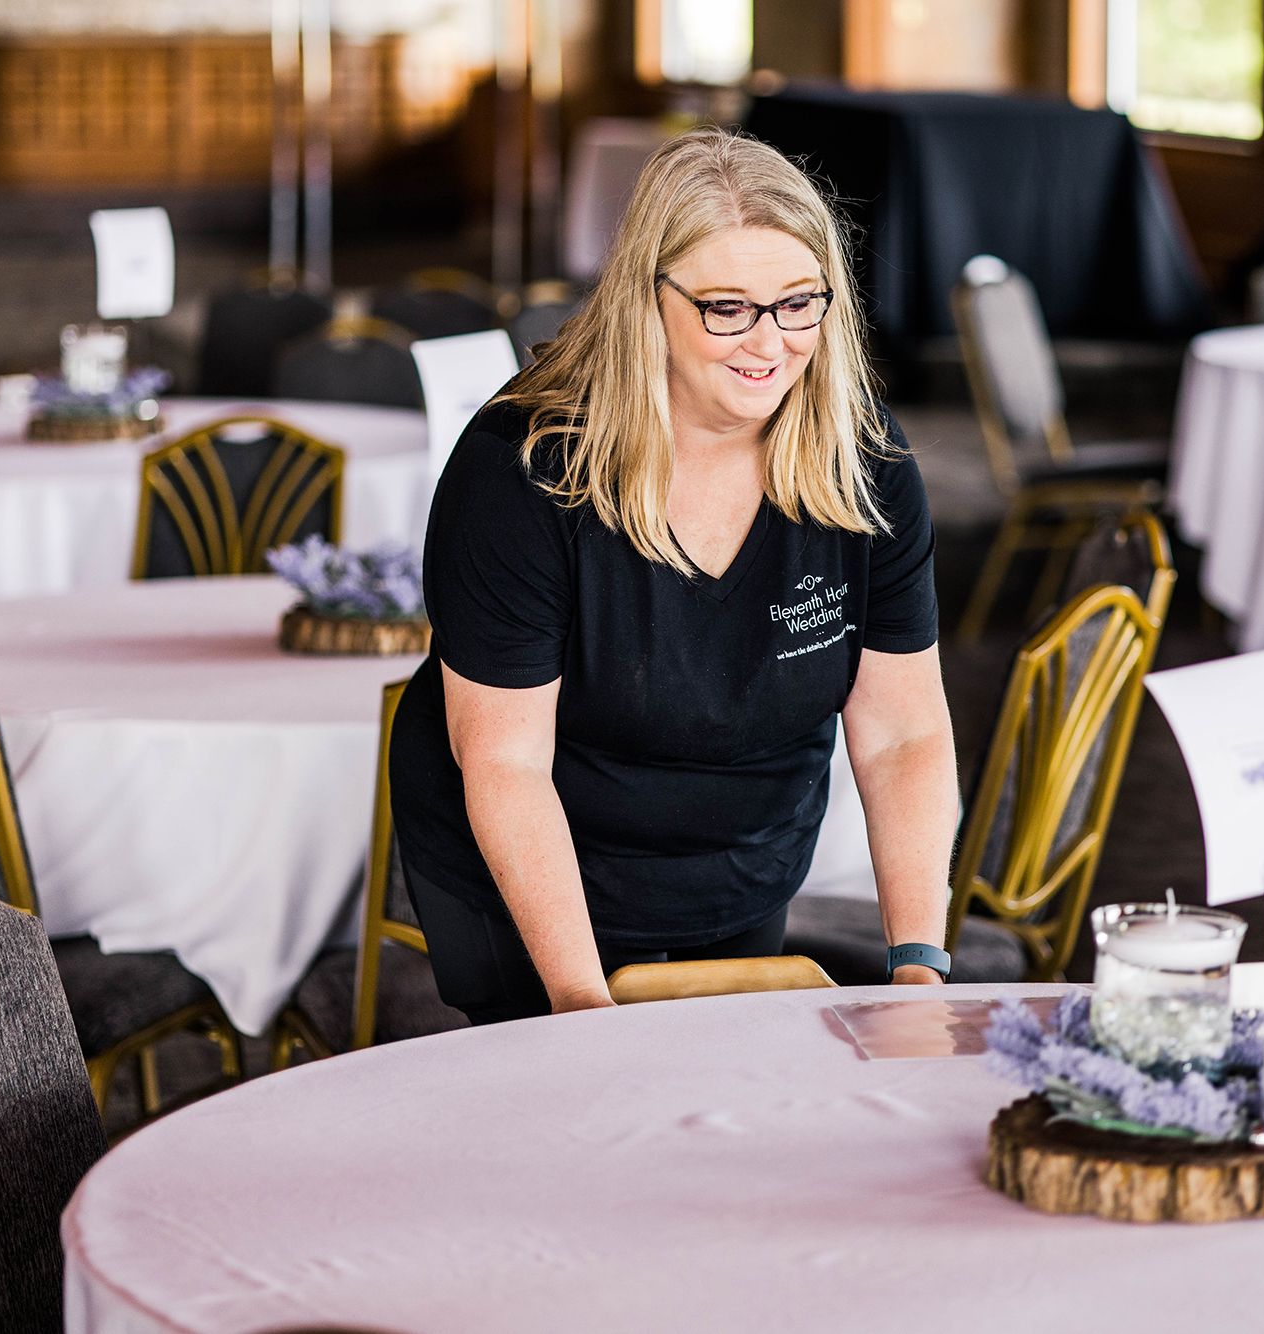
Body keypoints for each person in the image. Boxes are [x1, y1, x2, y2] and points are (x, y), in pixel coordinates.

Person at [388, 129, 960, 1023]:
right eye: (727, 308)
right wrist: (582, 1006)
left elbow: (902, 734)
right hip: (537, 853)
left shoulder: (864, 458)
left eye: (799, 303)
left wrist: (919, 967)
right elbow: (506, 763)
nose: (769, 343)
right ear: (647, 300)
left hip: (743, 848)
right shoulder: (523, 469)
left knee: (715, 1099)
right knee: (562, 1113)